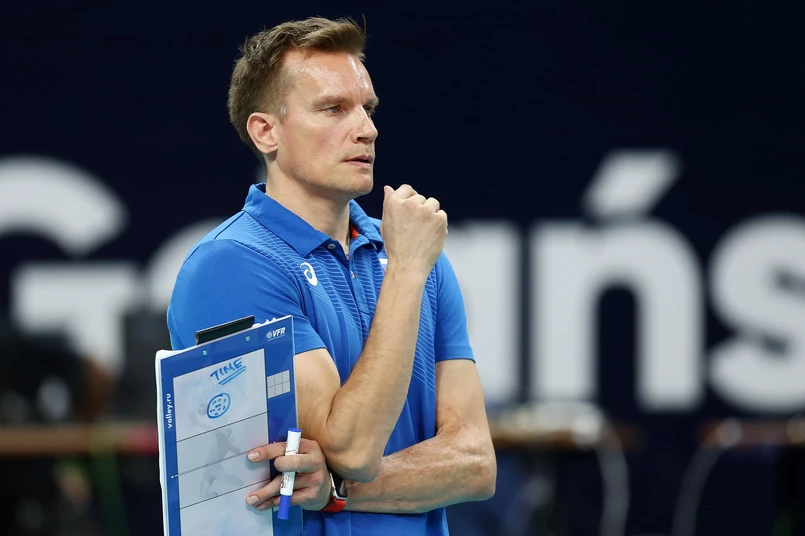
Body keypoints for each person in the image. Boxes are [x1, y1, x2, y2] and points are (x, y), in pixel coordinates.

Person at [167, 16, 496, 535]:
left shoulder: (413, 254)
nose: (367, 128)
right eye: (334, 109)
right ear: (266, 131)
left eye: (368, 108)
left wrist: (337, 491)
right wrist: (407, 269)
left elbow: (475, 463)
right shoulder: (228, 267)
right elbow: (353, 448)